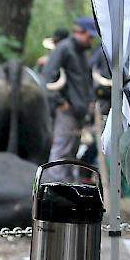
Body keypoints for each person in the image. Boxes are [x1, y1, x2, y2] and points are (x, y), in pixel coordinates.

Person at [42, 17, 98, 182]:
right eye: (89, 36)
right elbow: (47, 76)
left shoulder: (80, 52)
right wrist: (60, 102)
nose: (91, 40)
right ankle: (53, 188)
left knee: (71, 152)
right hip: (67, 111)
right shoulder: (64, 48)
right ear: (79, 32)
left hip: (78, 111)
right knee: (61, 151)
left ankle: (66, 188)